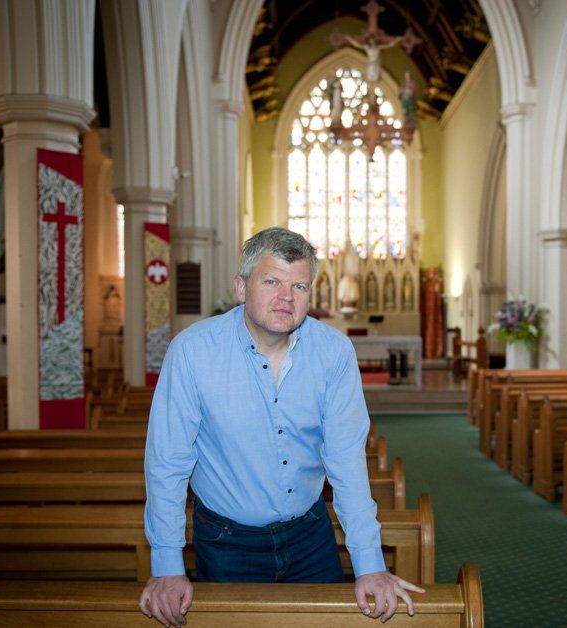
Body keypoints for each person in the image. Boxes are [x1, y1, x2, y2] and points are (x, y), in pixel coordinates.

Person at [139, 227, 423, 626]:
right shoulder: (193, 352)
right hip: (225, 541)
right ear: (241, 287)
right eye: (271, 281)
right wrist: (167, 564)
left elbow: (346, 462)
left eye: (299, 286)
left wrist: (369, 564)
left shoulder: (334, 352)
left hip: (310, 535)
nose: (286, 298)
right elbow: (167, 463)